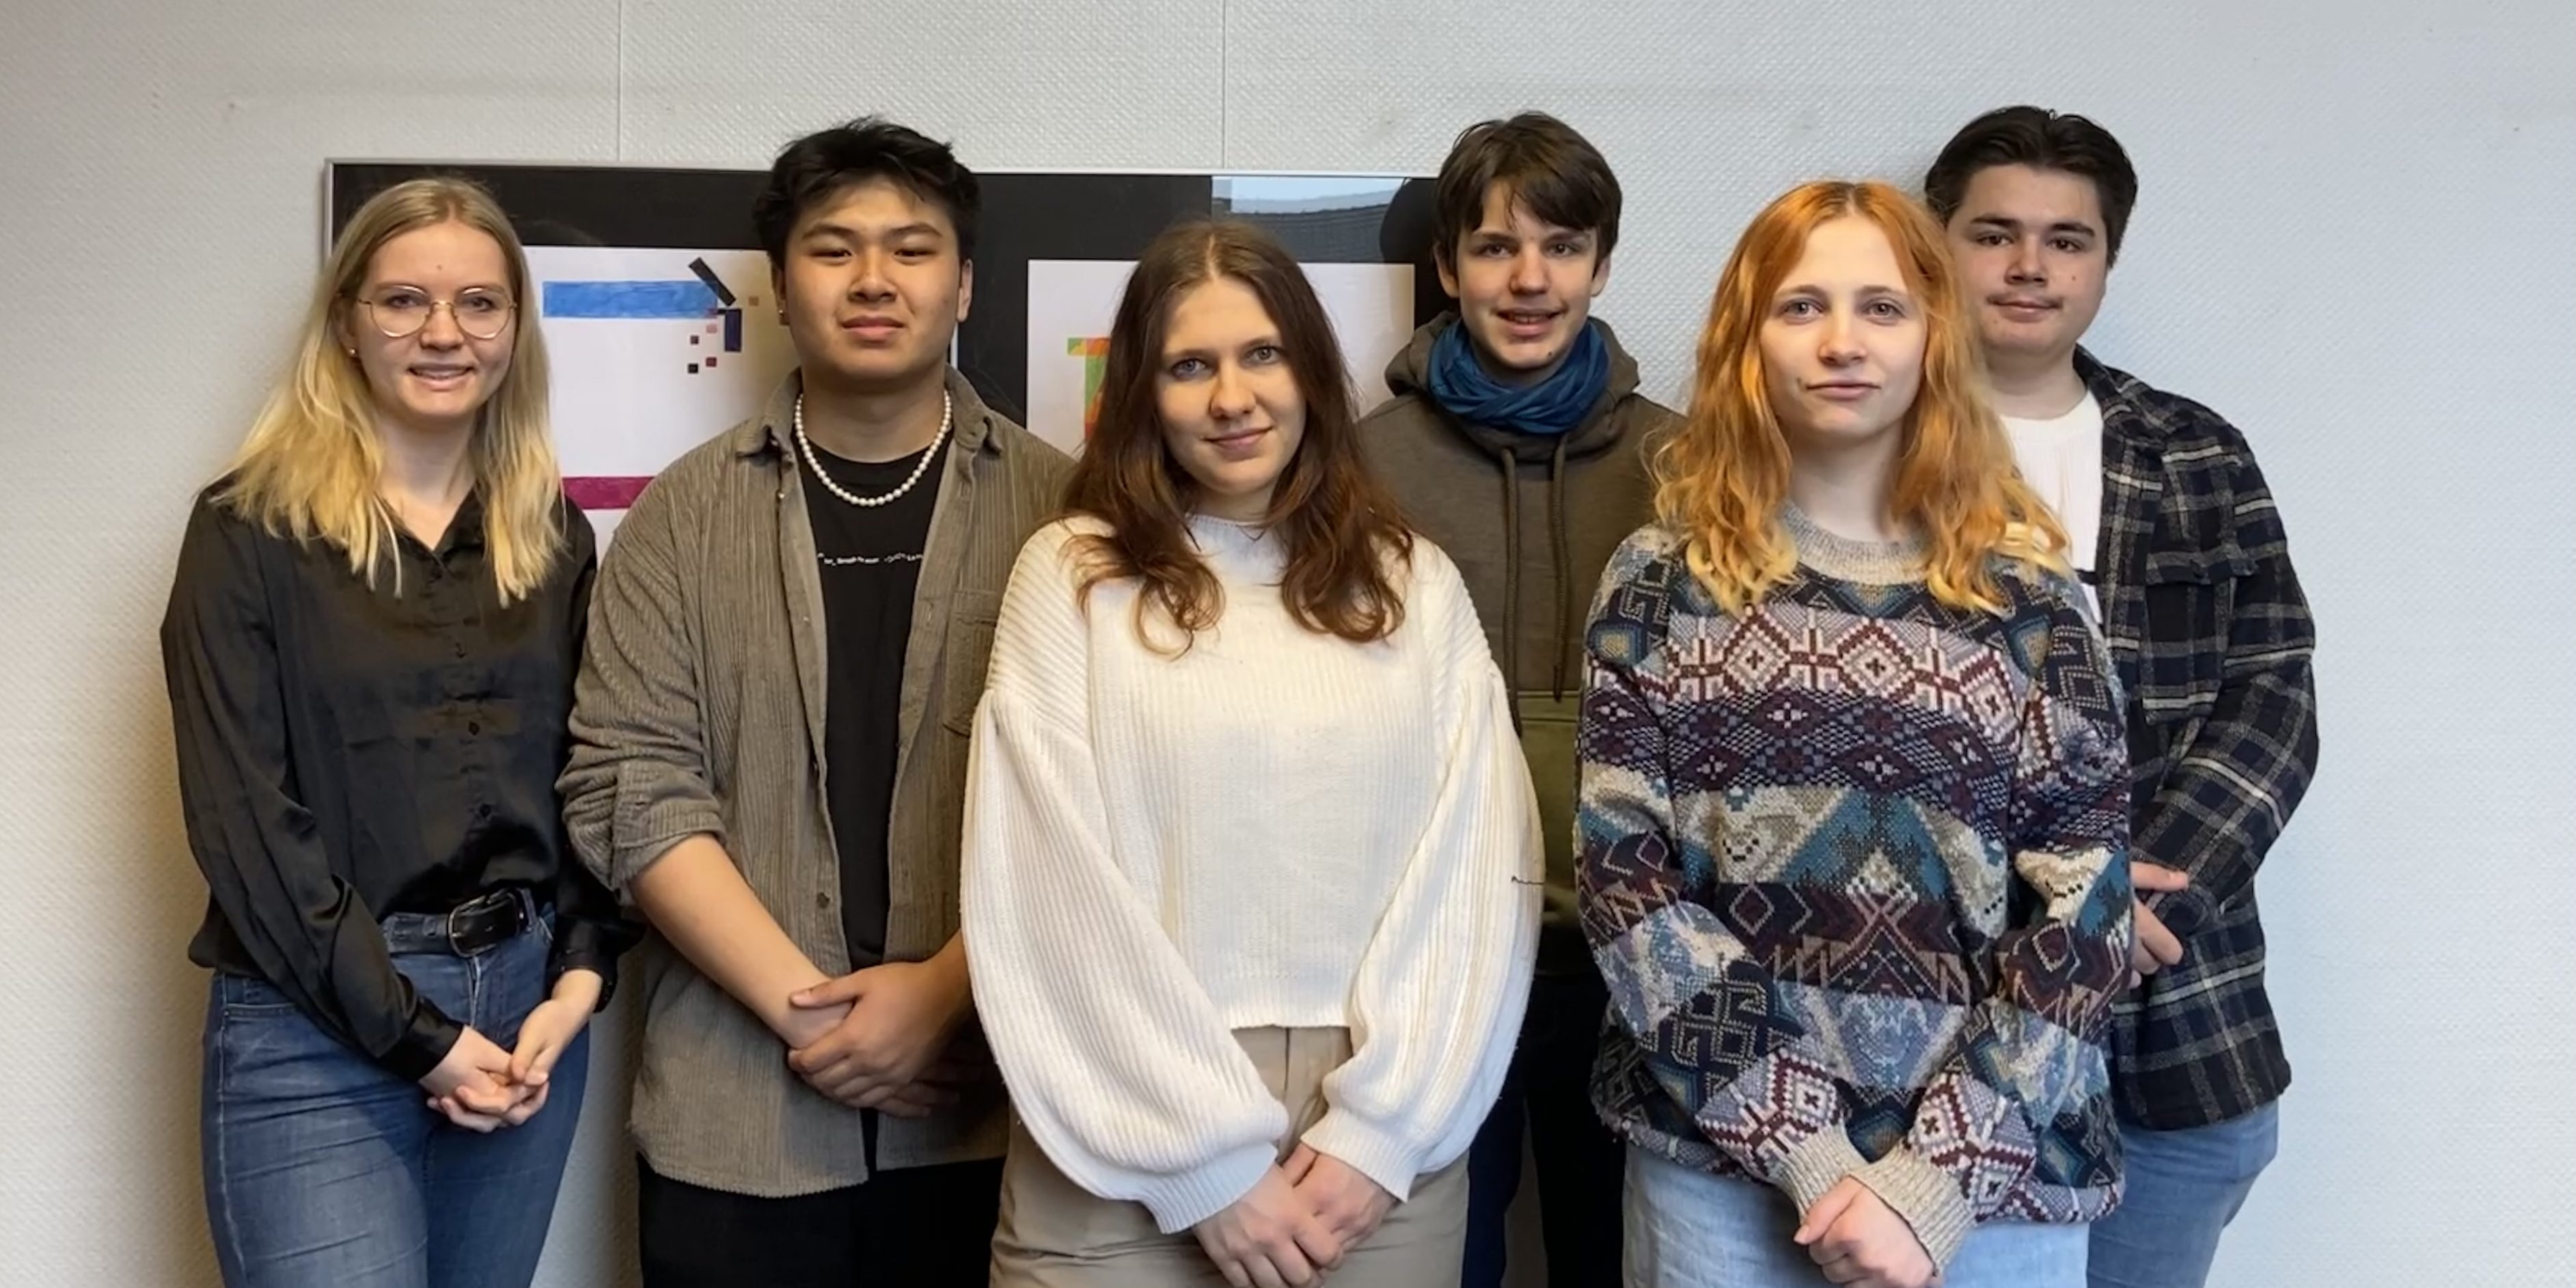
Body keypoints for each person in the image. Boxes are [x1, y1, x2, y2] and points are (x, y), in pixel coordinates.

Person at [1576, 179, 2136, 1288]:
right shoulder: (1659, 584)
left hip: (1992, 1202)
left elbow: (2088, 903)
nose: (1842, 341)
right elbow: (1624, 883)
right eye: (1801, 306)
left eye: (1881, 307)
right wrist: (1808, 1149)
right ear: (1746, 339)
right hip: (1721, 1183)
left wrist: (1935, 1180)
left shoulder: (2030, 603)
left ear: (1934, 334)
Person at [963, 218, 1542, 1288]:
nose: (1232, 397)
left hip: (1376, 1127)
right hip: (1118, 1108)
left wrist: (1381, 1131)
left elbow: (1480, 865)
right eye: (1190, 366)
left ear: (1311, 370)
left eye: (1261, 354)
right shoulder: (1070, 575)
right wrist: (1205, 1166)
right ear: (1143, 393)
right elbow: (1039, 881)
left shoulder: (1411, 581)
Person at [556, 117, 1073, 1287]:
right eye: (834, 249)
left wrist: (939, 998)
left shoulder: (1065, 514)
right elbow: (629, 784)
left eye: (912, 249)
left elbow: (1101, 802)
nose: (874, 279)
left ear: (963, 285)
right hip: (740, 1115)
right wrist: (815, 1017)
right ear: (782, 288)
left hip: (1000, 1103)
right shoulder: (682, 519)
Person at [163, 174, 639, 1288]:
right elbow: (245, 825)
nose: (443, 332)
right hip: (310, 1027)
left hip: (523, 1016)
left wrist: (578, 981)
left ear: (514, 329)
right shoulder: (247, 532)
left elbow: (593, 774)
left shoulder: (552, 535)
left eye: (479, 302)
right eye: (403, 301)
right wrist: (421, 1038)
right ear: (346, 323)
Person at [1923, 106, 2320, 1288]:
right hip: (1938, 1026)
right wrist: (2051, 909)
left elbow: (2272, 696)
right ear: (1935, 245)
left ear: (2105, 260)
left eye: (2066, 240)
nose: (2029, 266)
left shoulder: (2195, 452)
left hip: (2175, 1014)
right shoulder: (1866, 449)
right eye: (1993, 234)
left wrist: (2128, 902)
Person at [1358, 110, 1676, 1288]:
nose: (1529, 279)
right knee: (1450, 1260)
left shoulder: (1686, 466)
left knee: (1617, 1259)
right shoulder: (1359, 467)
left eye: (1561, 246)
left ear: (1601, 263)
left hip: (1637, 956)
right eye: (1495, 247)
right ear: (1448, 268)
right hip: (1436, 954)